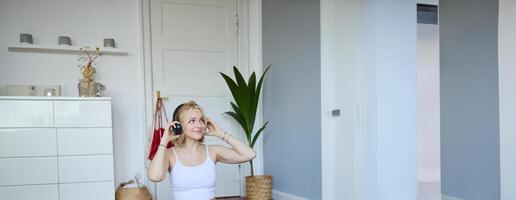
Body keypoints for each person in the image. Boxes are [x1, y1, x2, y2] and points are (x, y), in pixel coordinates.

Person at [147, 101, 256, 200]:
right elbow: (155, 176)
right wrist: (164, 141)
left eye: (202, 120)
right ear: (178, 126)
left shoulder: (213, 151)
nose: (199, 125)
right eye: (192, 121)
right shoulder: (169, 154)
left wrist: (221, 134)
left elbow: (249, 154)